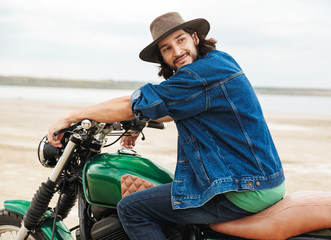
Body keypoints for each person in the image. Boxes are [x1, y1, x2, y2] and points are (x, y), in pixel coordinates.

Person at [48, 12, 285, 240]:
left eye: (180, 40)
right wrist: (140, 121)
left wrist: (71, 116)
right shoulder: (217, 61)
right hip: (258, 178)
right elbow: (174, 107)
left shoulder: (198, 75)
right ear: (162, 57)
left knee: (132, 209)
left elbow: (132, 103)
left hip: (243, 188)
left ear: (194, 37)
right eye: (167, 48)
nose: (177, 51)